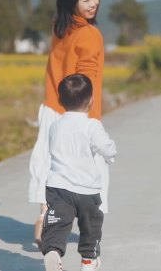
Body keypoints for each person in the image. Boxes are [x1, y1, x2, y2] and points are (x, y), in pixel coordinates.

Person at [28, 0, 108, 248]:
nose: (93, 3)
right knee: (85, 173)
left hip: (52, 107)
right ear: (71, 2)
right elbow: (87, 77)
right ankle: (88, 236)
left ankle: (44, 215)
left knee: (50, 165)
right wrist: (88, 116)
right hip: (78, 112)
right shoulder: (89, 33)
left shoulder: (59, 28)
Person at [41, 73, 116, 271]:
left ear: (59, 100)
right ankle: (89, 260)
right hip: (87, 189)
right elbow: (106, 147)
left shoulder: (55, 126)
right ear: (91, 100)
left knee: (57, 224)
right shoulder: (92, 126)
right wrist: (110, 153)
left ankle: (53, 252)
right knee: (90, 226)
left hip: (58, 187)